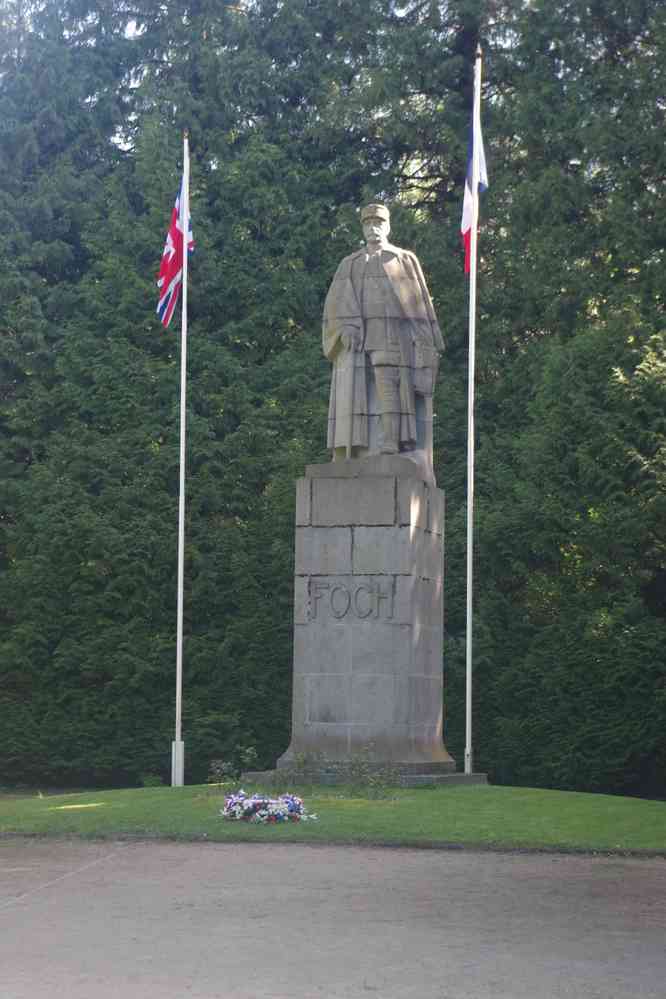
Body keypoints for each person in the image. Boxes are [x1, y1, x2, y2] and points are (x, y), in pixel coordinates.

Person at [322, 204, 443, 468]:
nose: (373, 228)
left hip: (391, 337)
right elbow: (336, 303)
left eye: (378, 223)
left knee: (389, 387)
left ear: (388, 226)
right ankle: (356, 451)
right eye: (368, 224)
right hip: (357, 341)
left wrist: (425, 344)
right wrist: (346, 326)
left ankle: (391, 442)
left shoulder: (402, 259)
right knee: (358, 394)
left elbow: (418, 307)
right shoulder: (350, 264)